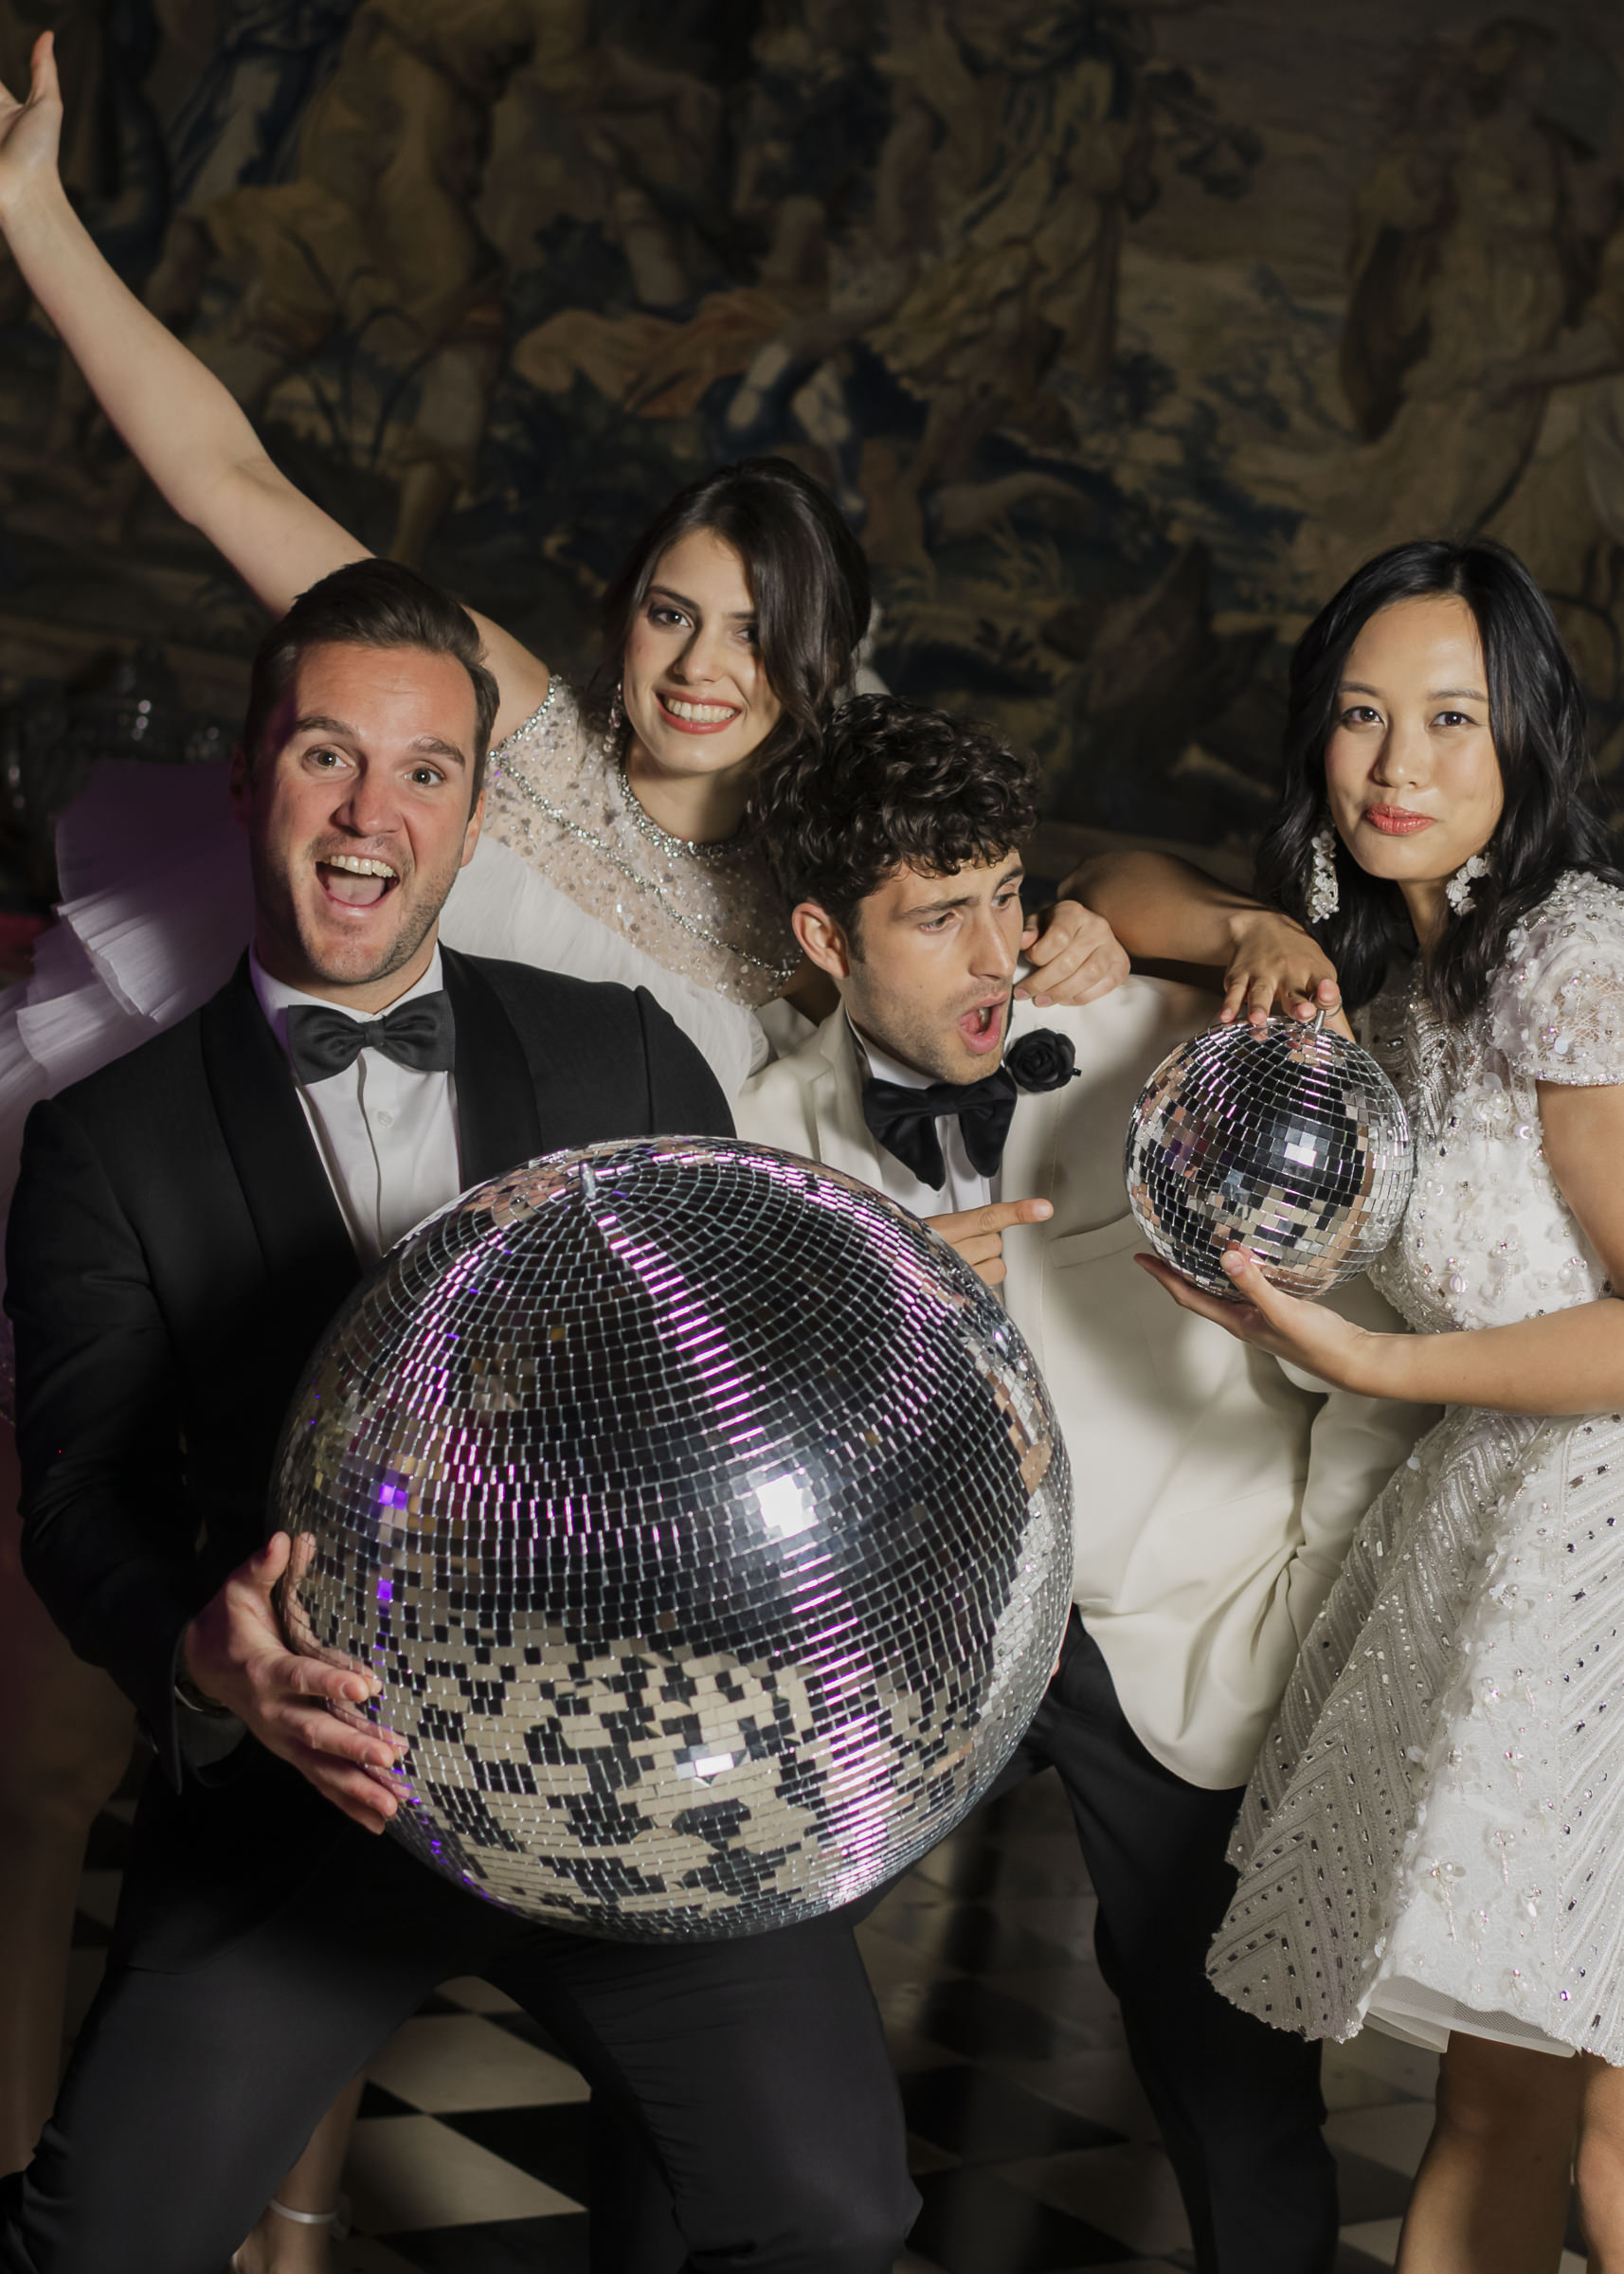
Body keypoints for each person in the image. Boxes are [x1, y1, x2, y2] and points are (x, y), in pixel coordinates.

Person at [0, 32, 1127, 2255]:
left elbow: (1058, 937)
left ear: (828, 673)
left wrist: (1211, 930)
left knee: (799, 2193)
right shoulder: (480, 727)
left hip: (621, 1607)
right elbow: (233, 480)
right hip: (326, 1572)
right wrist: (30, 216)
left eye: (755, 635)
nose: (700, 665)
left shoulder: (802, 933)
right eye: (671, 610)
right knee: (120, 2041)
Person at [0, 556, 918, 2274]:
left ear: (478, 810)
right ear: (245, 769)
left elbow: (729, 1396)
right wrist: (208, 1655)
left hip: (615, 1756)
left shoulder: (624, 1056)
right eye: (325, 754)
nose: (371, 814)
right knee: (97, 2242)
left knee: (827, 2205)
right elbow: (78, 1502)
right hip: (310, 1771)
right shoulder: (106, 1144)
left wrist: (873, 1329)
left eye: (425, 771)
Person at [734, 694, 1428, 2274]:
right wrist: (870, 1304)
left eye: (1005, 896)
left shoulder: (1170, 1054)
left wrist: (1299, 1615)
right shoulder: (763, 1142)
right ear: (824, 941)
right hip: (919, 1648)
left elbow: (1361, 1358)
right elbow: (749, 1470)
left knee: (1236, 2092)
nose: (995, 956)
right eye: (935, 918)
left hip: (1181, 1641)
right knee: (720, 1987)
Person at [1102, 536, 1624, 2272]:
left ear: (1527, 746)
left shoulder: (1564, 952)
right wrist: (1253, 924)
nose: (1397, 765)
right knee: (1499, 2104)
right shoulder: (1372, 983)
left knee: (1615, 2119)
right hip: (1505, 1547)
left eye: (1452, 721)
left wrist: (1373, 1361)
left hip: (1604, 1535)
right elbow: (1106, 895)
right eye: (1360, 716)